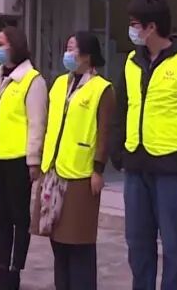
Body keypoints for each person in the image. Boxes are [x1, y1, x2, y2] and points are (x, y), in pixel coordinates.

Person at [111, 0, 177, 290]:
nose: (131, 30)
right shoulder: (132, 62)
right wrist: (117, 152)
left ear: (151, 27)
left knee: (173, 244)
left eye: (134, 24)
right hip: (136, 165)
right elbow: (122, 109)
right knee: (137, 242)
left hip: (172, 167)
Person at [32, 32, 113, 290]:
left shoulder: (102, 88)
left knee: (79, 240)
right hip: (53, 169)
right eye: (66, 48)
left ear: (87, 55)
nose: (67, 54)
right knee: (56, 238)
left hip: (81, 173)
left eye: (72, 49)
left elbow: (105, 132)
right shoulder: (59, 84)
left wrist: (98, 169)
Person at [0, 26, 48, 290]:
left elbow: (37, 123)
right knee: (2, 215)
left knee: (19, 217)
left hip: (19, 160)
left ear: (15, 46)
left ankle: (15, 271)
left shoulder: (32, 80)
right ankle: (2, 269)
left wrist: (33, 159)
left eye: (1, 44)